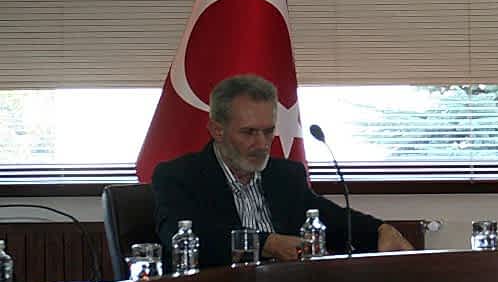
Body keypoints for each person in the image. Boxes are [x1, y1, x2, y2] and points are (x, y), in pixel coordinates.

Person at [153, 74, 412, 268]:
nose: (262, 144)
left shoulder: (285, 175)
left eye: (268, 131)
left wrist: (380, 230)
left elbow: (328, 218)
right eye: (249, 132)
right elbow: (185, 236)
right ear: (217, 130)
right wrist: (268, 244)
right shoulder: (179, 177)